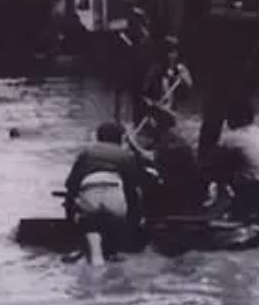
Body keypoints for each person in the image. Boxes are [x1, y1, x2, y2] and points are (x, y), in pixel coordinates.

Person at [192, 0, 259, 164]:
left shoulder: (211, 19)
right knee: (242, 126)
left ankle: (205, 165)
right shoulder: (253, 22)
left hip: (215, 80)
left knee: (211, 125)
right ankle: (247, 163)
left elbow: (197, 49)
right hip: (241, 80)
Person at [64, 122, 147, 265]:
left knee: (85, 214)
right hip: (115, 194)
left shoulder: (86, 153)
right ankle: (116, 248)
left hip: (90, 193)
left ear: (97, 137)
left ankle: (79, 245)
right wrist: (136, 219)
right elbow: (133, 188)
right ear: (121, 139)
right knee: (124, 209)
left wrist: (70, 208)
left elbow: (71, 184)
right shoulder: (127, 156)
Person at [125, 104, 205, 216]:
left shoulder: (170, 143)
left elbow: (153, 159)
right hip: (181, 187)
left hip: (178, 192)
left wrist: (132, 144)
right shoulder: (170, 138)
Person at [210, 99, 259, 220]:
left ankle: (219, 203)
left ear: (237, 118)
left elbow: (213, 160)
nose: (227, 122)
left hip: (252, 190)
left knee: (217, 168)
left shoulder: (233, 137)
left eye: (229, 117)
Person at [142, 36, 193, 113]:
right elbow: (145, 89)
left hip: (174, 111)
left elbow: (189, 87)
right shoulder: (156, 69)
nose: (172, 55)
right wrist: (150, 100)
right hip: (157, 108)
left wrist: (183, 77)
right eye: (169, 52)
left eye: (174, 52)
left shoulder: (180, 69)